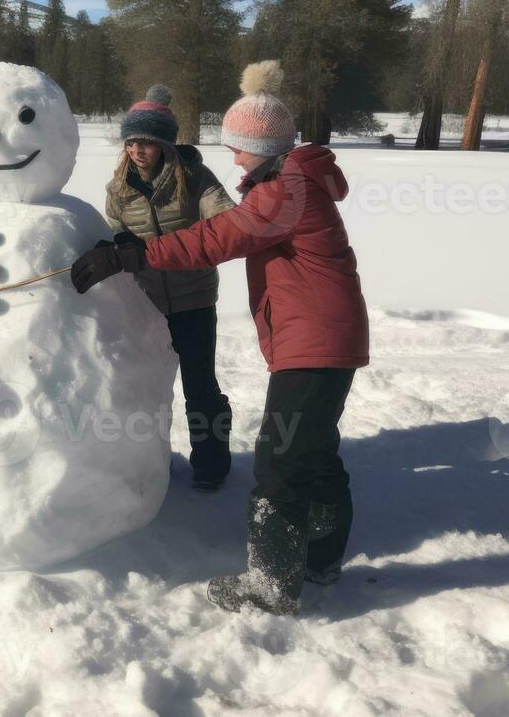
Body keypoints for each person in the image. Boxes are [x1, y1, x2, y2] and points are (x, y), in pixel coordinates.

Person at [72, 61, 368, 615]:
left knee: (280, 460)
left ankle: (273, 584)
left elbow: (214, 237)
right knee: (314, 452)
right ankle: (321, 558)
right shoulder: (289, 181)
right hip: (319, 335)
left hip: (315, 339)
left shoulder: (285, 191)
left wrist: (133, 254)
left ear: (260, 144)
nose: (231, 157)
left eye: (237, 147)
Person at [103, 85, 237, 491]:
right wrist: (119, 246)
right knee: (143, 387)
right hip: (146, 304)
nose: (138, 150)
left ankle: (211, 466)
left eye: (147, 141)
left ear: (164, 143)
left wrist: (226, 222)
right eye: (131, 141)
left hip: (194, 299)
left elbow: (223, 216)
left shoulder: (193, 177)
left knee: (200, 388)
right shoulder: (119, 188)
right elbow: (114, 231)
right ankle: (146, 467)